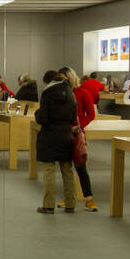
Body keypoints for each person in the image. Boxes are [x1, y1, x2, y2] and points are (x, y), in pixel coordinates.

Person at [34, 70, 79, 214]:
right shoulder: (70, 92)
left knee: (49, 170)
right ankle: (71, 204)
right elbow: (73, 117)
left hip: (50, 135)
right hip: (66, 135)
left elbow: (43, 118)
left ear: (48, 81)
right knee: (67, 170)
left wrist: (37, 114)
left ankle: (48, 205)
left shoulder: (48, 93)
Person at [56, 66, 99, 212]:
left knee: (81, 167)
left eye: (63, 78)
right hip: (64, 133)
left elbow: (91, 113)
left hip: (77, 134)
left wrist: (80, 126)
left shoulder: (82, 93)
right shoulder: (60, 93)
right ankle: (69, 197)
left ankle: (89, 199)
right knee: (66, 168)